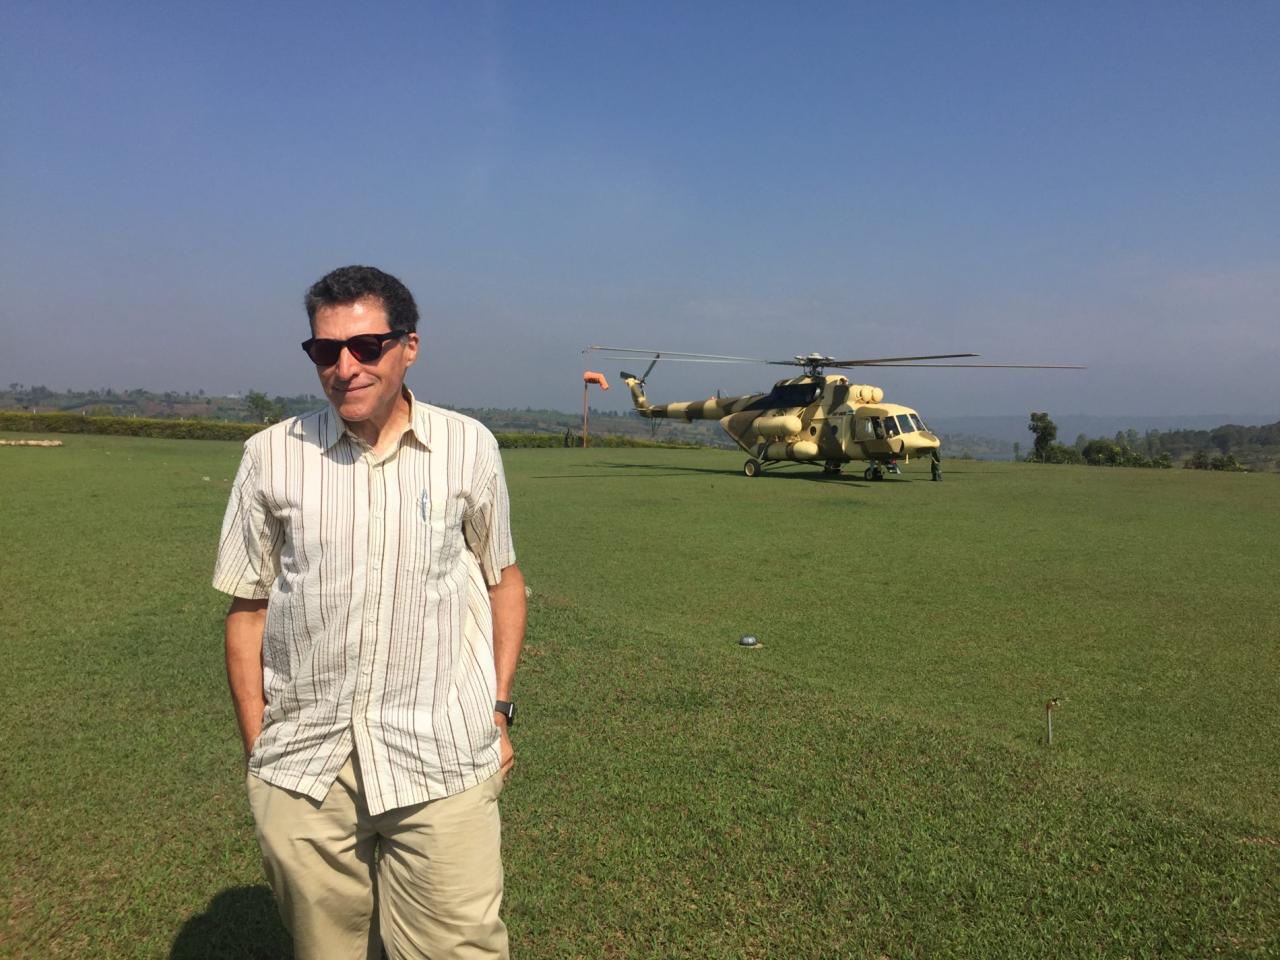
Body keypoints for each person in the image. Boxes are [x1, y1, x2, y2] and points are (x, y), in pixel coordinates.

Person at [213, 265, 525, 960]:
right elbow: (248, 607)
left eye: (366, 346)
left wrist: (499, 710)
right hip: (306, 767)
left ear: (409, 346)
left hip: (440, 757)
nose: (345, 367)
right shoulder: (270, 457)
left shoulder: (469, 447)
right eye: (326, 351)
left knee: (461, 949)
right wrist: (259, 749)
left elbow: (503, 582)